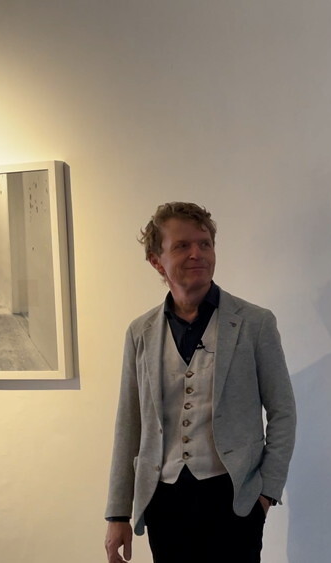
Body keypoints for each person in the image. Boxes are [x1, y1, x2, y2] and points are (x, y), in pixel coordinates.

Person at [104, 202, 296, 563]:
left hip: (234, 499)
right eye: (182, 245)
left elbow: (283, 412)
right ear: (157, 261)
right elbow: (129, 423)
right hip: (164, 500)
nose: (197, 253)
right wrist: (118, 513)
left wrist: (266, 493)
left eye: (204, 244)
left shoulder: (255, 323)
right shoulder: (140, 331)